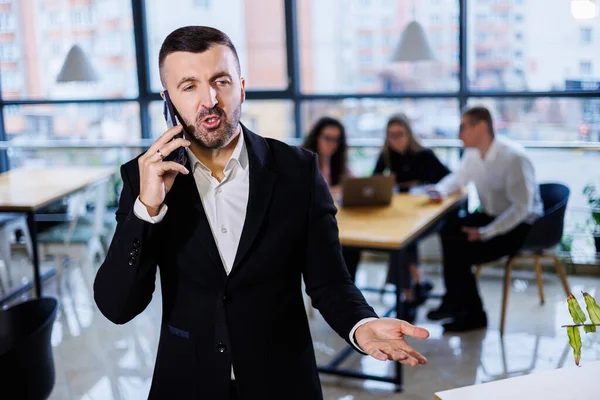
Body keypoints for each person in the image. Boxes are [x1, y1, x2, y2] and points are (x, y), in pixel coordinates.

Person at [93, 26, 429, 400]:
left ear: (241, 86)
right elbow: (117, 306)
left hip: (284, 383)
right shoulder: (143, 177)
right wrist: (147, 210)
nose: (209, 99)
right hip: (187, 382)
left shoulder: (297, 171)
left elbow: (330, 281)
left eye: (220, 81)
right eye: (189, 86)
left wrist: (361, 325)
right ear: (167, 99)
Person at [426, 106, 543, 332]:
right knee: (448, 229)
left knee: (460, 250)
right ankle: (455, 301)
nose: (459, 134)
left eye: (463, 127)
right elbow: (458, 178)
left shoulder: (514, 158)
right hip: (492, 214)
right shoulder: (472, 154)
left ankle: (473, 315)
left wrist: (485, 232)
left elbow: (521, 209)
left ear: (481, 126)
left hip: (522, 226)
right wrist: (439, 190)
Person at [373, 114, 451, 322]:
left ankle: (409, 295)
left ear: (409, 134)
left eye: (399, 134)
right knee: (402, 240)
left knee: (403, 242)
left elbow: (448, 179)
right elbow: (375, 183)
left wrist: (429, 188)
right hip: (401, 215)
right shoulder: (386, 156)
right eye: (391, 135)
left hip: (427, 216)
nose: (395, 139)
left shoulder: (424, 155)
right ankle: (416, 284)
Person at [301, 117, 362, 282]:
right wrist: (336, 190)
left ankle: (347, 290)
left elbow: (352, 184)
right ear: (317, 137)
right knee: (340, 249)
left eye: (337, 140)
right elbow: (304, 193)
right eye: (327, 138)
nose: (332, 144)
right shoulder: (302, 160)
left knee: (352, 248)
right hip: (308, 228)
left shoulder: (336, 162)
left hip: (335, 223)